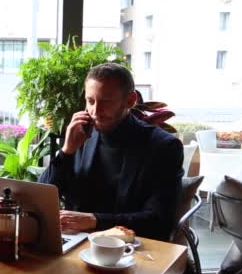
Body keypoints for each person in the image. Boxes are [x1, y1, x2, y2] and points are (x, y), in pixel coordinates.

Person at [39, 63, 183, 241]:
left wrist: (95, 220)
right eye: (90, 101)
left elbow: (160, 221)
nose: (95, 111)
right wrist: (67, 151)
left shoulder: (163, 147)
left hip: (132, 249)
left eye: (106, 102)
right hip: (76, 243)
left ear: (130, 101)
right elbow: (42, 196)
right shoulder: (81, 136)